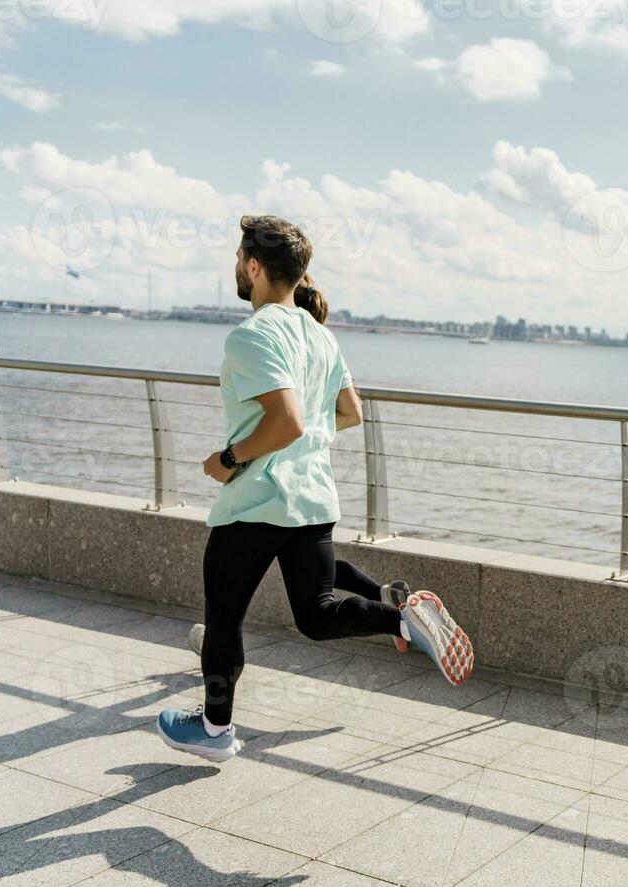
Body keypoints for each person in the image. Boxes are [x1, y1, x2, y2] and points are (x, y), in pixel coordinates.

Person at [156, 215, 473, 763]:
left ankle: (213, 729)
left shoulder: (252, 335)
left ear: (254, 267)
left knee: (225, 618)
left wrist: (227, 459)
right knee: (318, 613)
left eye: (238, 258)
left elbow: (287, 422)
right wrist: (304, 437)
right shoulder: (320, 335)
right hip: (312, 500)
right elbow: (348, 413)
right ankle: (401, 618)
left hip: (255, 502)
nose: (236, 266)